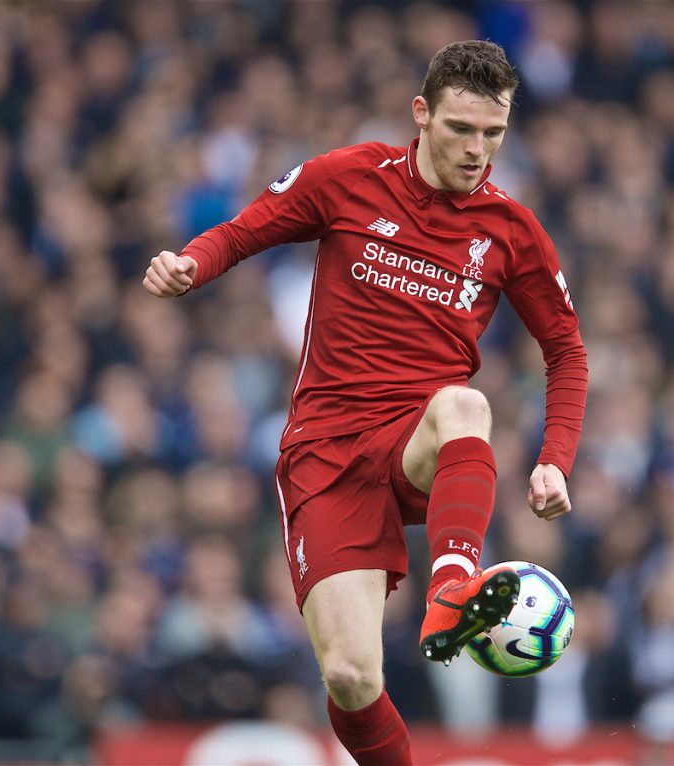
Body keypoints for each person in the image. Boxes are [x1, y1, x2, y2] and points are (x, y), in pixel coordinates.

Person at [142, 40, 587, 766]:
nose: (478, 150)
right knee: (351, 676)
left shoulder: (512, 230)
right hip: (326, 451)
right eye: (460, 129)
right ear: (421, 114)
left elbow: (567, 351)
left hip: (417, 440)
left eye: (494, 133)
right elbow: (244, 230)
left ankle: (453, 588)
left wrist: (556, 461)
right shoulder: (347, 178)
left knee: (465, 407)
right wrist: (192, 263)